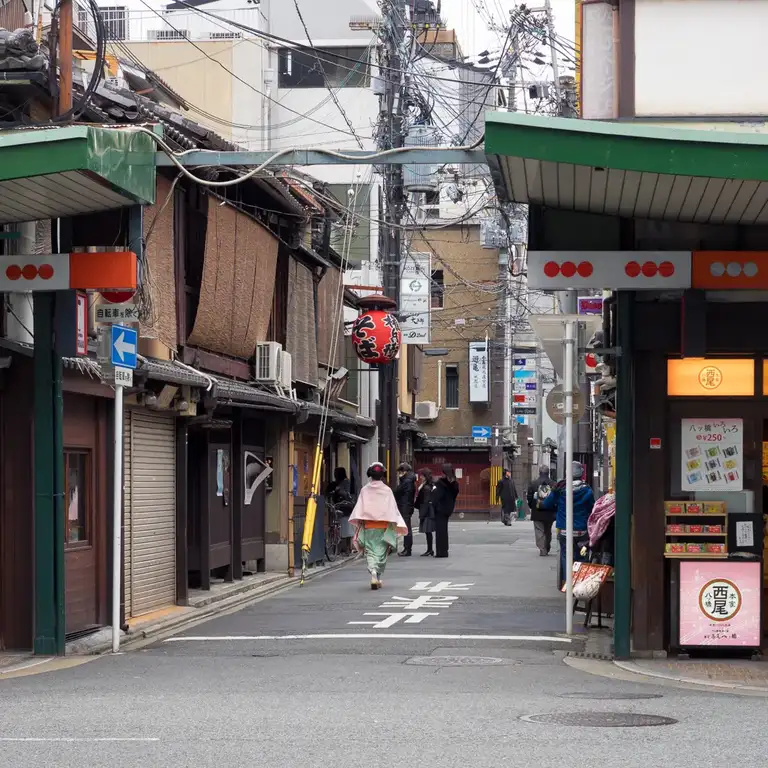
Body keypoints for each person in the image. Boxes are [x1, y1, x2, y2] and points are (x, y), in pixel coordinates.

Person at [349, 462, 408, 589]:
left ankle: (374, 573)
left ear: (370, 475)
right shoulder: (387, 490)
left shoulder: (365, 490)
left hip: (369, 526)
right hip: (384, 526)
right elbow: (393, 509)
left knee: (370, 551)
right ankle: (378, 575)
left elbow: (360, 507)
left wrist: (361, 520)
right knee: (381, 552)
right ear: (382, 475)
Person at [540, 461, 596, 586]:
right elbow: (592, 508)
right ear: (581, 473)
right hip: (582, 530)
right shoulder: (587, 490)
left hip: (565, 530)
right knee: (582, 556)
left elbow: (547, 504)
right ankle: (580, 583)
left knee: (566, 556)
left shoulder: (560, 489)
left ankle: (568, 583)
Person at [431, 463, 459, 558]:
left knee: (440, 531)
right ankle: (444, 550)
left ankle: (441, 552)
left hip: (440, 509)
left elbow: (436, 497)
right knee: (444, 530)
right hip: (448, 508)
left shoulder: (440, 483)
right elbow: (455, 494)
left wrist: (434, 505)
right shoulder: (455, 483)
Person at [326, 467, 355, 553]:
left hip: (345, 507)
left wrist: (339, 492)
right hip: (338, 507)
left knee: (345, 527)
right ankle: (342, 548)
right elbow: (327, 492)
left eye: (336, 473)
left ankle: (346, 547)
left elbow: (349, 494)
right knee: (341, 526)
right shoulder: (334, 484)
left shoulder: (346, 483)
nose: (335, 475)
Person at [527, 466, 555, 556]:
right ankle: (547, 546)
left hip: (537, 512)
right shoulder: (553, 484)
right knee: (548, 530)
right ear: (548, 473)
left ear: (539, 473)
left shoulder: (533, 483)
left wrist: (532, 506)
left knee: (539, 530)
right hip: (549, 512)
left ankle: (542, 549)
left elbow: (529, 497)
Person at [394, 462, 417, 556]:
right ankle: (406, 548)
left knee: (406, 528)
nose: (399, 474)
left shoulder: (407, 481)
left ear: (405, 471)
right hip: (407, 506)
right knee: (406, 528)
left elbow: (398, 491)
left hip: (405, 506)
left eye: (400, 471)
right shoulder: (409, 480)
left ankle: (407, 549)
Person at [414, 468, 436, 556]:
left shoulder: (426, 487)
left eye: (422, 476)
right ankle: (429, 549)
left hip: (426, 510)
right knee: (428, 531)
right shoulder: (427, 485)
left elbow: (426, 501)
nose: (420, 477)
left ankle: (430, 549)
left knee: (428, 531)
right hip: (427, 509)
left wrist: (422, 512)